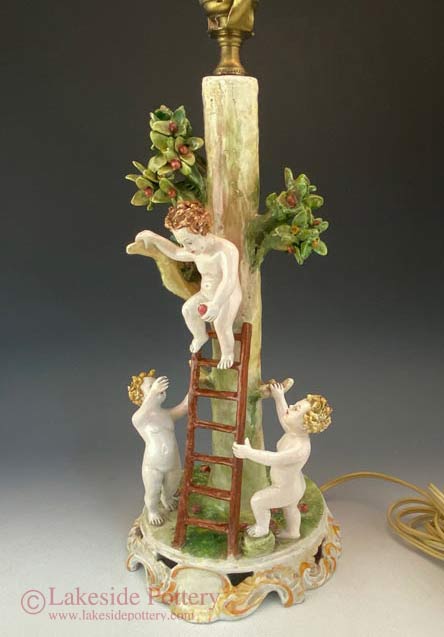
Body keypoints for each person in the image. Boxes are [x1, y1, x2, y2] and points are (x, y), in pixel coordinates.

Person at [133, 201, 242, 369]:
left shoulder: (225, 250)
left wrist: (216, 304)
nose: (187, 248)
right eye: (183, 243)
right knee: (188, 310)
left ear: (201, 230)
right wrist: (154, 238)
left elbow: (229, 280)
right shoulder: (196, 250)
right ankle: (200, 336)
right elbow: (176, 252)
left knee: (221, 325)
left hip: (227, 296)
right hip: (207, 294)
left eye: (189, 242)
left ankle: (228, 353)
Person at [233, 383, 332, 539]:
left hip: (285, 488)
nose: (291, 406)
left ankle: (262, 528)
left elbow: (273, 459)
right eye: (295, 404)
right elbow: (284, 417)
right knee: (290, 508)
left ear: (305, 424)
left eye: (296, 409)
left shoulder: (300, 448)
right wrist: (279, 398)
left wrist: (249, 453)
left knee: (258, 501)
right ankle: (293, 532)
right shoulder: (295, 432)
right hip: (293, 484)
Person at [128, 371, 188, 526]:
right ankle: (153, 511)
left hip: (173, 462)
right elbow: (140, 414)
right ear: (141, 396)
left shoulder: (167, 414)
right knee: (152, 491)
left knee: (172, 487)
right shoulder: (140, 418)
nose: (158, 387)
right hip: (152, 465)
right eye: (151, 386)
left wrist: (195, 386)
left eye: (157, 384)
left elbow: (184, 407)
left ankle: (167, 498)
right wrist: (154, 392)